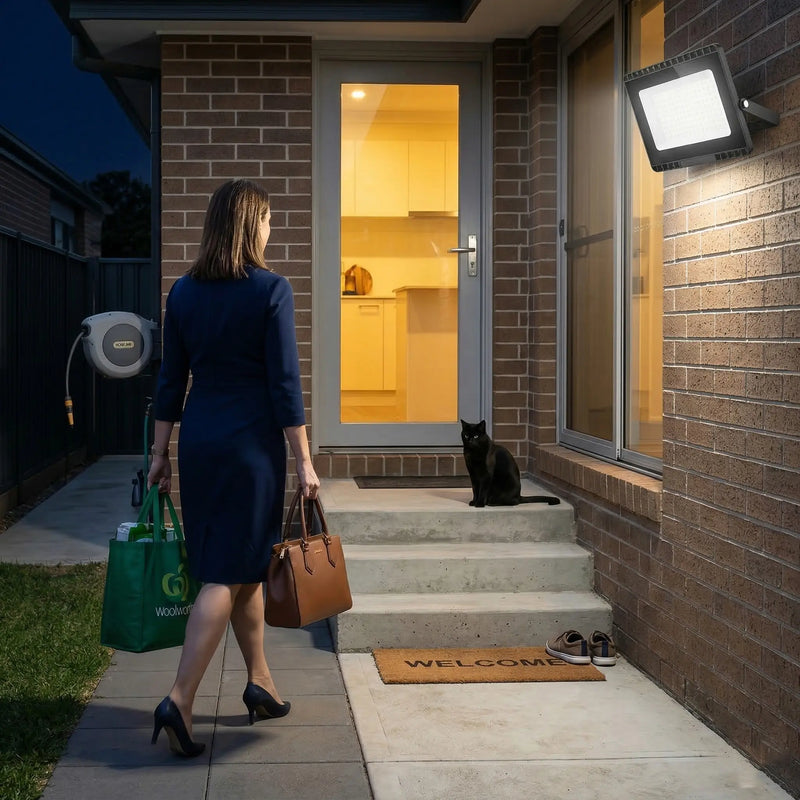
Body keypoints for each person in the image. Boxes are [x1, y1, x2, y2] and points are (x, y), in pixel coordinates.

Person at [147, 178, 320, 758]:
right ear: (251, 226)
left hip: (201, 442)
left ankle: (261, 682)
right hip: (251, 448)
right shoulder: (271, 290)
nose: (273, 229)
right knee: (225, 574)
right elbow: (285, 386)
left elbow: (170, 383)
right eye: (268, 220)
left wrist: (159, 455)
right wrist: (305, 460)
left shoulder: (184, 293)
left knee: (242, 562)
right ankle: (180, 698)